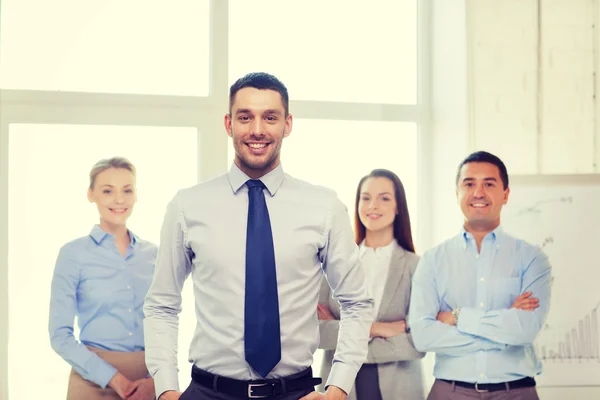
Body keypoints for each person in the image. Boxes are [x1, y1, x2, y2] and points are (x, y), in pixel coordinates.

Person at [143, 72, 374, 400]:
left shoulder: (323, 207)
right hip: (209, 392)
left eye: (270, 117)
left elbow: (357, 302)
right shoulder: (187, 206)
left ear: (287, 124)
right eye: (245, 117)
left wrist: (337, 390)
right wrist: (166, 389)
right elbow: (162, 304)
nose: (257, 130)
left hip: (295, 392)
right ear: (228, 124)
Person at [408, 151, 552, 400]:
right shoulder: (433, 260)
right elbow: (422, 335)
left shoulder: (532, 259)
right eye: (469, 184)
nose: (478, 192)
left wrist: (458, 316)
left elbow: (525, 330)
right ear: (457, 194)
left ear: (505, 194)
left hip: (515, 392)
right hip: (449, 392)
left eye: (489, 184)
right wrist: (503, 332)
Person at [49, 157, 158, 400]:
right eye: (108, 191)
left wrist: (158, 380)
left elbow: (166, 322)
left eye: (127, 190)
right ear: (91, 195)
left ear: (136, 195)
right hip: (91, 380)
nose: (119, 200)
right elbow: (59, 335)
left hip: (147, 382)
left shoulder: (155, 255)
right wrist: (113, 378)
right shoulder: (73, 254)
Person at [318, 169, 425, 400]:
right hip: (338, 387)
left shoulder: (416, 267)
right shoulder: (334, 262)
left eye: (384, 198)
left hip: (399, 386)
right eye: (365, 198)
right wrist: (379, 329)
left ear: (398, 207)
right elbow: (315, 331)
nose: (373, 205)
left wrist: (347, 331)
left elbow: (418, 340)